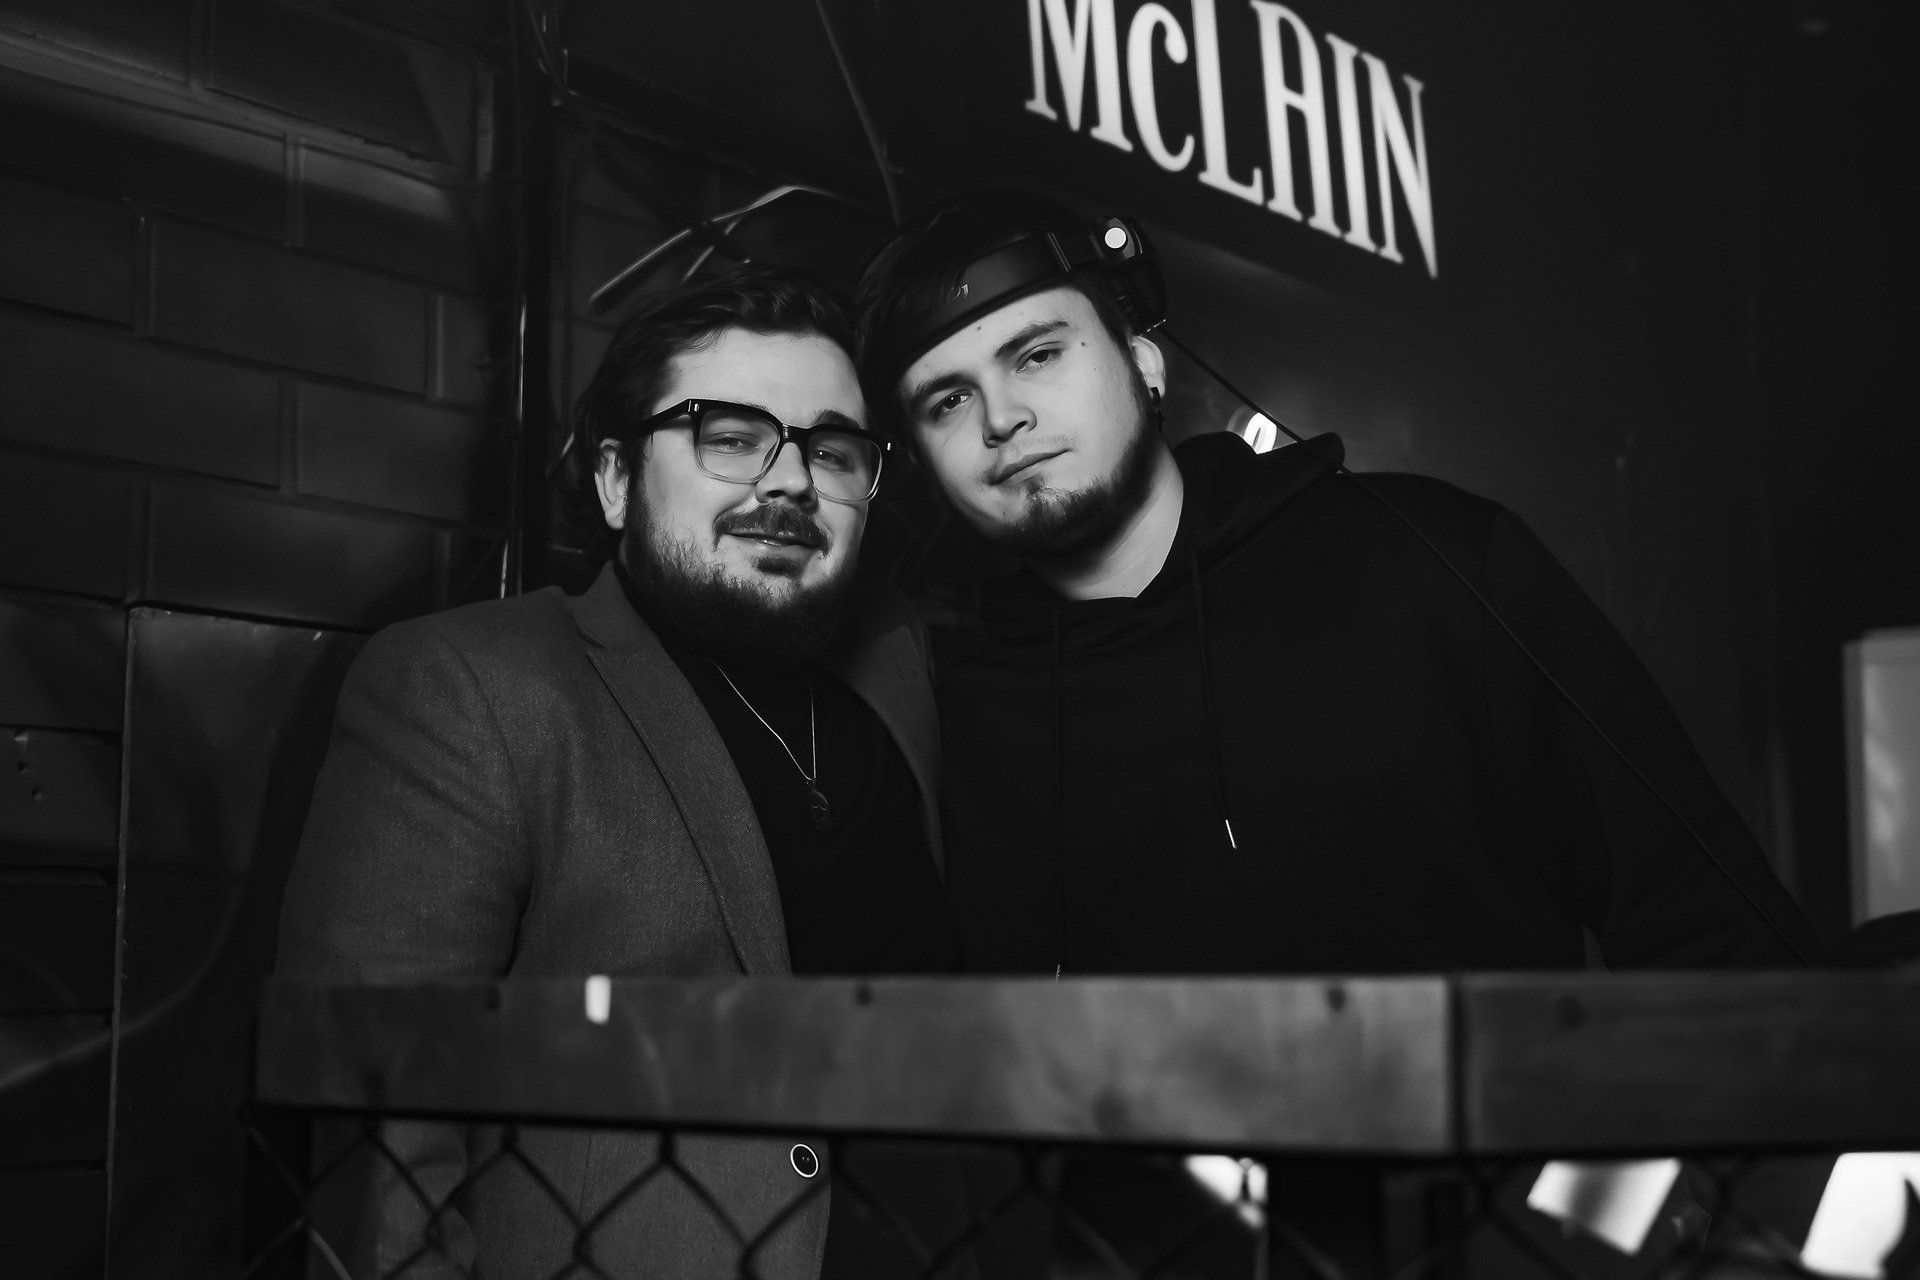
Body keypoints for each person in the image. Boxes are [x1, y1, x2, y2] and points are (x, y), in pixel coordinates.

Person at [853, 190, 1824, 980]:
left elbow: (1717, 935)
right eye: (949, 400)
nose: (1002, 418)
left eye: (1037, 354)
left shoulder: (1432, 562)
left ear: (1144, 361)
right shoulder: (955, 714)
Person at [277, 268, 956, 1279]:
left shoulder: (902, 669)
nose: (791, 482)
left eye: (833, 451)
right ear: (614, 479)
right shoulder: (469, 683)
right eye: (731, 437)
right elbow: (375, 1131)